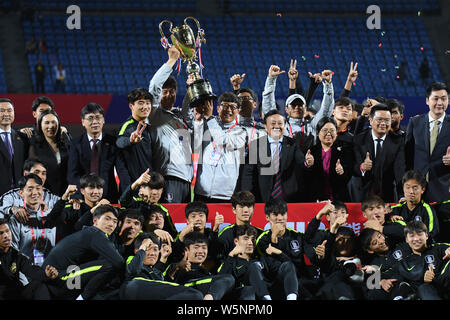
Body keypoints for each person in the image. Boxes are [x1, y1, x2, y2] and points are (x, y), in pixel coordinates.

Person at [42, 204, 124, 300]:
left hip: (56, 281)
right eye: (107, 219)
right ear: (95, 220)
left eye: (115, 221)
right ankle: (82, 298)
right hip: (58, 280)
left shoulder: (88, 232)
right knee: (110, 264)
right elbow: (119, 262)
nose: (111, 224)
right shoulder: (96, 234)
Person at [147, 46, 194, 203]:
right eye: (164, 92)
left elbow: (189, 111)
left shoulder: (180, 116)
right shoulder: (154, 115)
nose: (168, 95)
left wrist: (191, 88)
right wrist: (171, 61)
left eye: (172, 91)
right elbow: (154, 86)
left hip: (186, 179)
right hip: (168, 176)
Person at [241, 109, 309, 202]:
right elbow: (248, 173)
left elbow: (301, 161)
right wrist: (247, 195)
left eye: (280, 123)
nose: (277, 126)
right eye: (273, 123)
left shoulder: (292, 143)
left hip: (289, 196)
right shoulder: (256, 145)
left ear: (284, 125)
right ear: (265, 126)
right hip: (263, 196)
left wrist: (307, 162)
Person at [67, 102, 130, 203]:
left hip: (108, 198)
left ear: (103, 120)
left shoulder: (114, 142)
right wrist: (77, 195)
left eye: (98, 117)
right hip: (84, 199)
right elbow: (73, 173)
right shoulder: (75, 144)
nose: (95, 121)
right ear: (83, 122)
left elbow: (122, 171)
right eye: (90, 118)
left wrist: (127, 197)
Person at [261, 64, 335, 148]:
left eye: (300, 105)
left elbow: (326, 110)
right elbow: (268, 106)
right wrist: (271, 79)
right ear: (286, 109)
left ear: (305, 108)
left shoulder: (312, 125)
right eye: (293, 105)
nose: (297, 107)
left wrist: (328, 85)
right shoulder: (281, 126)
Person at [194, 92, 247, 202]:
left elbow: (222, 140)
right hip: (201, 191)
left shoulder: (241, 132)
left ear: (238, 111)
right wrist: (198, 120)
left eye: (233, 107)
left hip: (225, 195)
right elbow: (195, 142)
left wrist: (209, 118)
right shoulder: (207, 124)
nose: (228, 110)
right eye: (225, 106)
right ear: (218, 108)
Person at [256, 198, 314, 299]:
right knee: (287, 266)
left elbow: (297, 266)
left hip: (297, 281)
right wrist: (274, 237)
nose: (280, 218)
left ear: (287, 215)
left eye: (283, 214)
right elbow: (273, 267)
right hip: (274, 283)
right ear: (267, 217)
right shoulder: (262, 239)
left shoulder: (297, 236)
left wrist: (320, 255)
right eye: (275, 214)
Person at [120, 232, 203, 300]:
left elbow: (161, 283)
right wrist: (143, 247)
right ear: (136, 251)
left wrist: (164, 258)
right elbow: (132, 271)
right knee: (194, 294)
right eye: (148, 249)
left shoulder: (156, 272)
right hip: (133, 286)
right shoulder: (132, 258)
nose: (152, 253)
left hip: (148, 293)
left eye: (155, 249)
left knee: (193, 295)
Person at [382, 220, 450, 300]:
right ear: (406, 239)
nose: (416, 239)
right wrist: (382, 281)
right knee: (423, 288)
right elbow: (382, 274)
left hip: (446, 285)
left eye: (419, 234)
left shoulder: (439, 248)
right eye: (411, 236)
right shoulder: (403, 263)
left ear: (427, 236)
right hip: (426, 293)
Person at [405, 82, 450, 202]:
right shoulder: (415, 122)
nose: (439, 103)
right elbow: (407, 157)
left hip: (444, 190)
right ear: (427, 100)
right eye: (435, 98)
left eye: (443, 99)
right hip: (417, 190)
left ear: (448, 101)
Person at [353, 104, 405, 202]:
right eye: (379, 119)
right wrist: (362, 167)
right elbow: (353, 166)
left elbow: (399, 170)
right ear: (371, 120)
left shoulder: (398, 141)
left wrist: (402, 194)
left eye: (387, 120)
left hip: (388, 194)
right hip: (362, 193)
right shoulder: (359, 140)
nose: (383, 123)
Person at [0, 218, 59, 300]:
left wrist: (46, 274)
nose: (6, 235)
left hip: (17, 293)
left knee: (42, 283)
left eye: (7, 231)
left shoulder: (16, 254)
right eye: (1, 233)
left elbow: (31, 269)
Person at [166, 231, 235, 300]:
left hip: (202, 293)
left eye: (204, 248)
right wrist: (177, 267)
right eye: (196, 247)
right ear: (186, 250)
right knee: (228, 278)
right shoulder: (177, 266)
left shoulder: (206, 271)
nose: (201, 251)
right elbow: (166, 281)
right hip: (186, 290)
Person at [7, 174, 58, 265]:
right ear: (21, 193)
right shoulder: (16, 219)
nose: (35, 193)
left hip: (49, 269)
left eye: (38, 188)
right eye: (30, 189)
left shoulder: (51, 215)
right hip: (25, 271)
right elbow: (13, 253)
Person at [304, 117, 353, 202]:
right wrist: (308, 165)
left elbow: (349, 173)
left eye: (332, 130)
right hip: (316, 199)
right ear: (318, 133)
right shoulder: (311, 151)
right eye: (325, 130)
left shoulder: (345, 150)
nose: (329, 133)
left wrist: (342, 171)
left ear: (336, 133)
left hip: (338, 198)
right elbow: (305, 178)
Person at [119, 169, 177, 238]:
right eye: (152, 188)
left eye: (159, 189)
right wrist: (136, 183)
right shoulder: (135, 204)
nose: (156, 192)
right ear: (142, 188)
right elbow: (124, 201)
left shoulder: (163, 211)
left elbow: (173, 234)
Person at [28, 109, 70, 196]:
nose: (51, 126)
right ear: (40, 125)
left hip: (66, 193)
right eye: (47, 123)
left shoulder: (66, 142)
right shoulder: (34, 146)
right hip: (44, 195)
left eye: (53, 122)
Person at [116, 88, 153, 183]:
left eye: (148, 103)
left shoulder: (152, 127)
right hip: (136, 186)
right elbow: (119, 142)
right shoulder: (127, 126)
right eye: (140, 103)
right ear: (131, 106)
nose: (145, 107)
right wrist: (130, 140)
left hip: (152, 184)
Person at [171, 201, 222, 271]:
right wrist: (181, 236)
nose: (198, 219)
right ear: (187, 220)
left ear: (206, 219)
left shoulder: (211, 233)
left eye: (201, 215)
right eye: (193, 216)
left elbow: (215, 252)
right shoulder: (182, 235)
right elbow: (174, 255)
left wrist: (215, 230)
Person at [390, 170, 439, 241]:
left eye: (415, 188)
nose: (411, 192)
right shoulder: (395, 209)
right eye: (407, 187)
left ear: (422, 189)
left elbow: (432, 234)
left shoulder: (427, 210)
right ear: (403, 188)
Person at [217, 190, 263, 258]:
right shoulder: (226, 234)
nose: (246, 210)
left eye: (249, 206)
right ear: (234, 210)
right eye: (241, 207)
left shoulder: (260, 234)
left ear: (253, 209)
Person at [0, 98, 28, 196]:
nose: (6, 114)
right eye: (2, 111)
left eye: (9, 110)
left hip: (19, 195)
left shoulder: (22, 137)